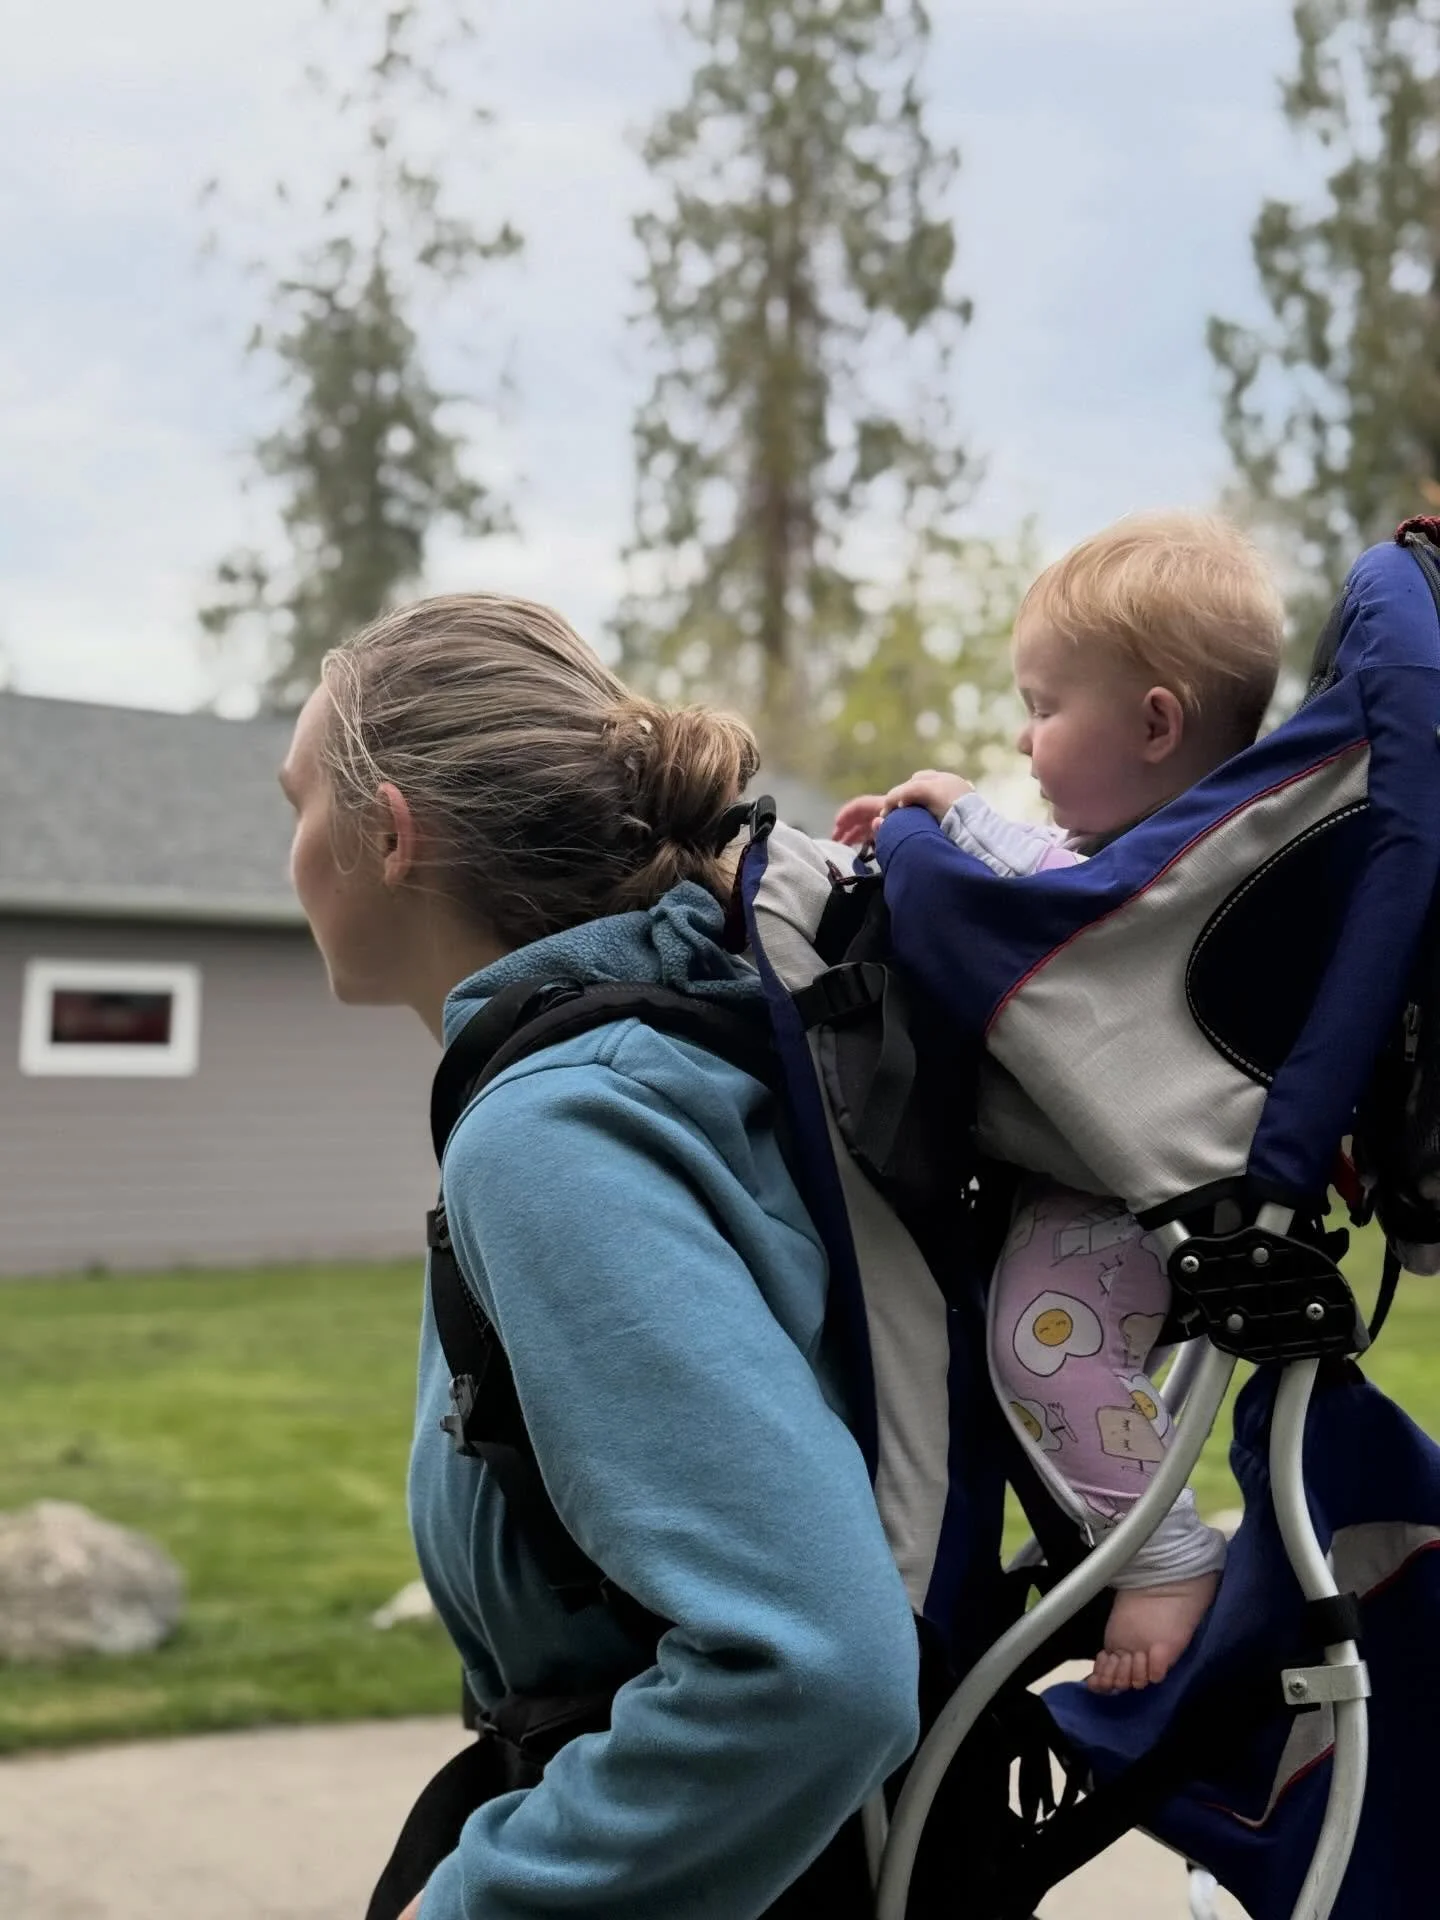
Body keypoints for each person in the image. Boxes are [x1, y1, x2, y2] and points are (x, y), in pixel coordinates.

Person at [278, 594, 918, 1920]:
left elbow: (814, 1669)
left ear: (388, 834)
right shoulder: (662, 1050)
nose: (287, 852)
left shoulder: (556, 1129)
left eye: (296, 804)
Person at [834, 512, 1286, 1694]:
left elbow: (1051, 897)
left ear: (1155, 725)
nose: (1022, 739)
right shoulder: (1170, 858)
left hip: (1138, 1186)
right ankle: (1116, 1530)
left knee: (1043, 1352)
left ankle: (1170, 1553)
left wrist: (951, 815)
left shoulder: (1184, 873)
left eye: (1044, 707)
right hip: (1105, 1168)